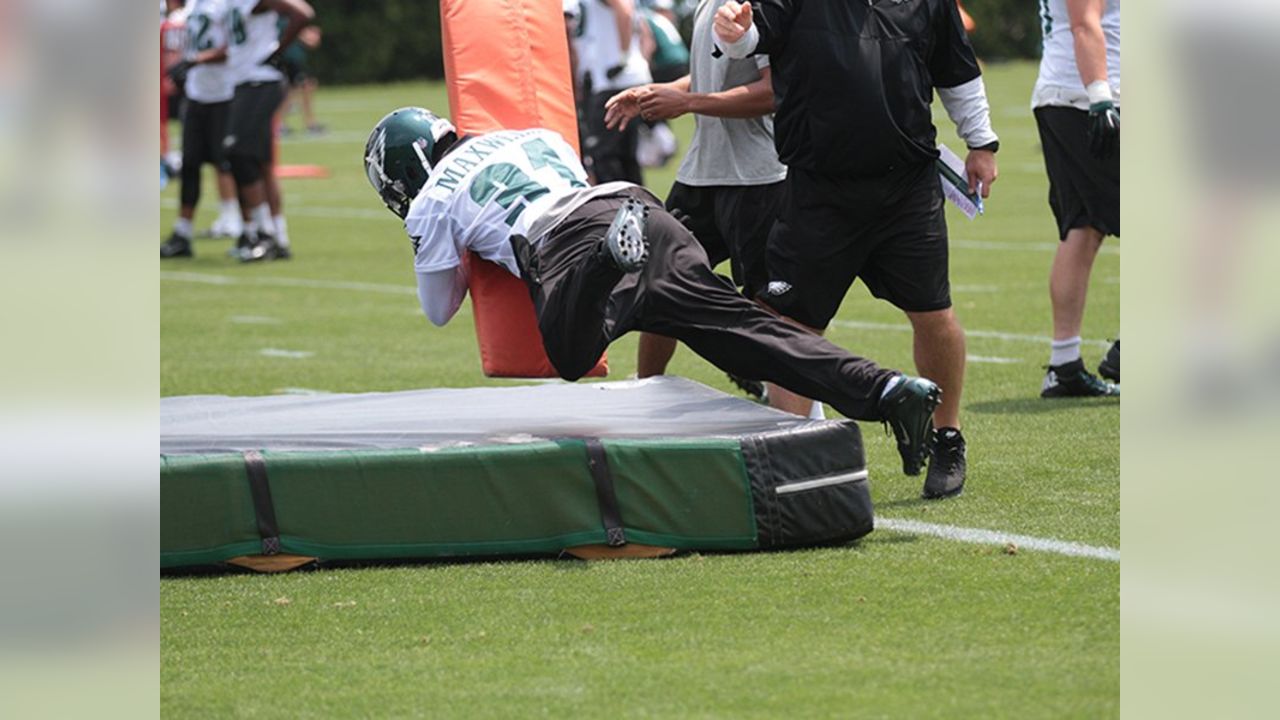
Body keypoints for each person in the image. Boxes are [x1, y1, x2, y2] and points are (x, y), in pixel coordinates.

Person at [363, 107, 943, 478]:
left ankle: (606, 259)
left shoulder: (435, 195)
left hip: (570, 242)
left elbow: (440, 309)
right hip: (640, 211)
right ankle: (889, 388)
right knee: (750, 336)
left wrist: (441, 237)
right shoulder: (532, 134)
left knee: (569, 353)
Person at [713, 0, 1000, 499]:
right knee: (794, 326)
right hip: (818, 190)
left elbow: (955, 70)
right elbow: (753, 38)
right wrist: (735, 33)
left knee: (934, 314)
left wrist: (981, 143)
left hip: (905, 188)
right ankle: (787, 455)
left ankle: (946, 437)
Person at [606, 0, 810, 414]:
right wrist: (658, 93)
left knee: (770, 306)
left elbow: (773, 92)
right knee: (659, 281)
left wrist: (690, 103)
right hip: (702, 173)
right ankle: (648, 392)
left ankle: (805, 414)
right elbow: (708, 78)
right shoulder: (707, 4)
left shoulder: (764, 8)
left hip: (758, 179)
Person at [1033, 0, 1120, 397]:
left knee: (1083, 227)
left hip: (1068, 95)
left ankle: (1064, 364)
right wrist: (1100, 96)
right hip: (1089, 98)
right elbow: (1084, 23)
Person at [221, 0, 314, 262]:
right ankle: (277, 237)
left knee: (238, 152)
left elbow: (303, 13)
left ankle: (265, 234)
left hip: (261, 81)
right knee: (261, 162)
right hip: (242, 82)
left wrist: (279, 50)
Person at [161, 0, 246, 259]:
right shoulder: (193, 7)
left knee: (229, 162)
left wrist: (196, 59)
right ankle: (182, 232)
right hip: (197, 94)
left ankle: (242, 225)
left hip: (225, 94)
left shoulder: (226, 5)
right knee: (190, 165)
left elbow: (236, 47)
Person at [566, 0, 653, 184]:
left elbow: (624, 11)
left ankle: (618, 209)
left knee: (605, 158)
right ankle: (638, 208)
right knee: (626, 159)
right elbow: (646, 34)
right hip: (619, 79)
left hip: (613, 81)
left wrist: (623, 59)